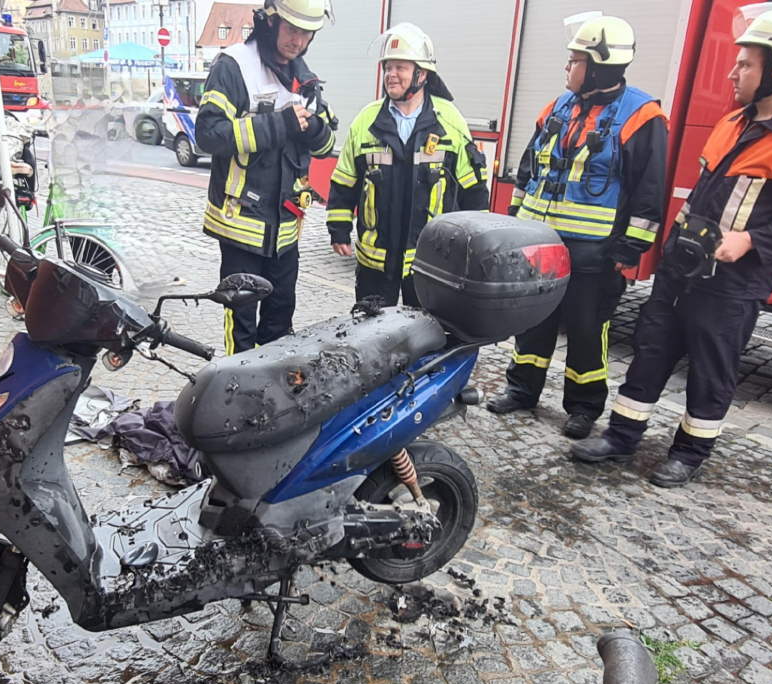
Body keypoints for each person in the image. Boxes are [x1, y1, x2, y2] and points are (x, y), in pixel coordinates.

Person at [572, 7, 772, 488]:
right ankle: (621, 436)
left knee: (711, 370)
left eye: (746, 64)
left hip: (734, 283)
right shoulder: (733, 121)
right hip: (682, 269)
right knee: (651, 352)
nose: (733, 73)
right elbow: (701, 197)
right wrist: (668, 251)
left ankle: (689, 453)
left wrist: (751, 241)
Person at [486, 14, 668, 442]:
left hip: (595, 254)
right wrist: (515, 225)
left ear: (599, 66)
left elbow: (649, 191)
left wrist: (629, 250)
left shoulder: (642, 116)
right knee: (533, 322)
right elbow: (529, 171)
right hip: (539, 245)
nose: (567, 67)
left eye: (575, 60)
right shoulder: (557, 107)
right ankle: (521, 389)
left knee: (588, 332)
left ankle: (584, 408)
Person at [195, 0, 337, 355]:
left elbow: (326, 147)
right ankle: (237, 384)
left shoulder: (305, 80)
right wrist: (278, 125)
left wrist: (314, 128)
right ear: (271, 22)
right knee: (241, 322)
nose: (298, 40)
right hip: (240, 226)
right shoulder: (234, 66)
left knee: (280, 317)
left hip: (286, 231)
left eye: (306, 33)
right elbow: (208, 134)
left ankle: (270, 383)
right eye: (292, 29)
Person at [326, 23, 490, 308]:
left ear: (422, 74)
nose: (391, 75)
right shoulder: (366, 120)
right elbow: (345, 181)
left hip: (431, 263)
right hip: (376, 263)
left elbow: (473, 189)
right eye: (387, 67)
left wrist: (475, 245)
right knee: (372, 331)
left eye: (400, 67)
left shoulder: (450, 121)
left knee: (428, 331)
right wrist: (339, 228)